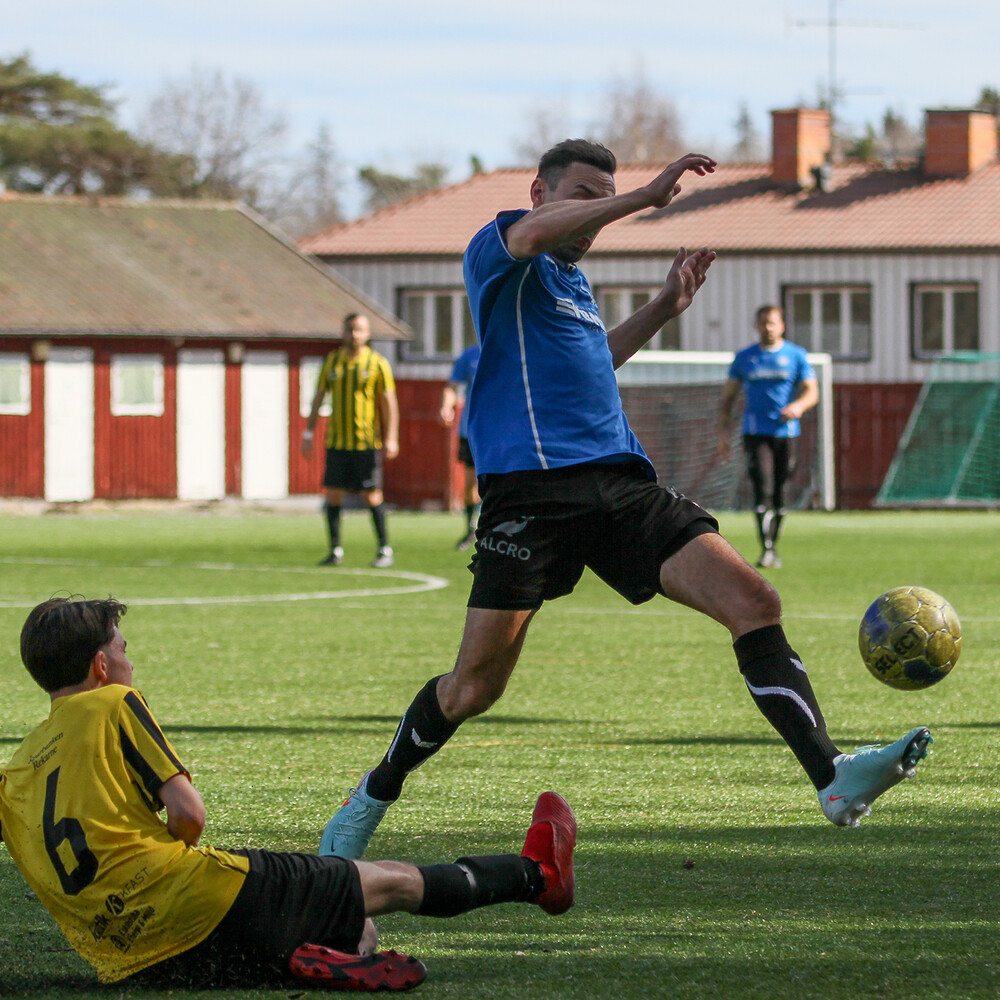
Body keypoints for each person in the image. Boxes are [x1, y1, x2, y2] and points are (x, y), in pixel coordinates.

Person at [319, 140, 931, 863]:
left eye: (603, 199)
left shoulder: (573, 285)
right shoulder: (499, 250)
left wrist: (664, 308)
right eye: (582, 195)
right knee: (472, 690)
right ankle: (372, 796)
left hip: (620, 484)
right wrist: (644, 197)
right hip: (533, 494)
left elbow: (595, 360)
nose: (592, 215)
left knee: (754, 601)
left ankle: (831, 777)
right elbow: (533, 236)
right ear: (540, 195)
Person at [0, 597, 576, 992]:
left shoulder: (15, 773)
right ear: (101, 666)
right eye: (124, 649)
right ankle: (537, 876)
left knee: (334, 918)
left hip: (126, 961)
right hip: (191, 898)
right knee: (387, 883)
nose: (130, 661)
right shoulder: (111, 702)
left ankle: (303, 957)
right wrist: (167, 863)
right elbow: (189, 815)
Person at [717, 305, 819, 569]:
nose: (768, 328)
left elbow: (812, 391)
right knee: (763, 488)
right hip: (755, 432)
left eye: (773, 323)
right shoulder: (745, 358)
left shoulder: (796, 355)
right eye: (763, 323)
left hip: (786, 432)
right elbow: (728, 398)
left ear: (782, 325)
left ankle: (773, 544)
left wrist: (798, 406)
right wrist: (723, 434)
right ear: (756, 326)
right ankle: (767, 549)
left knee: (781, 490)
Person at [303, 313, 399, 569]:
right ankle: (335, 550)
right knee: (333, 495)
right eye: (350, 329)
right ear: (343, 332)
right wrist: (308, 433)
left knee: (372, 495)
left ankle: (384, 548)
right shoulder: (332, 362)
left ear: (367, 333)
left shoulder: (377, 363)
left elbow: (389, 402)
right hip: (337, 442)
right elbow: (318, 397)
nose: (354, 334)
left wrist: (391, 437)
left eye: (359, 330)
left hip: (366, 443)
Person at [439, 343, 481, 550]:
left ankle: (496, 530)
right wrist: (446, 406)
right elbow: (452, 386)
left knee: (499, 483)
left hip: (501, 431)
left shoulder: (509, 348)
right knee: (470, 484)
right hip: (470, 431)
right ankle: (471, 530)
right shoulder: (470, 355)